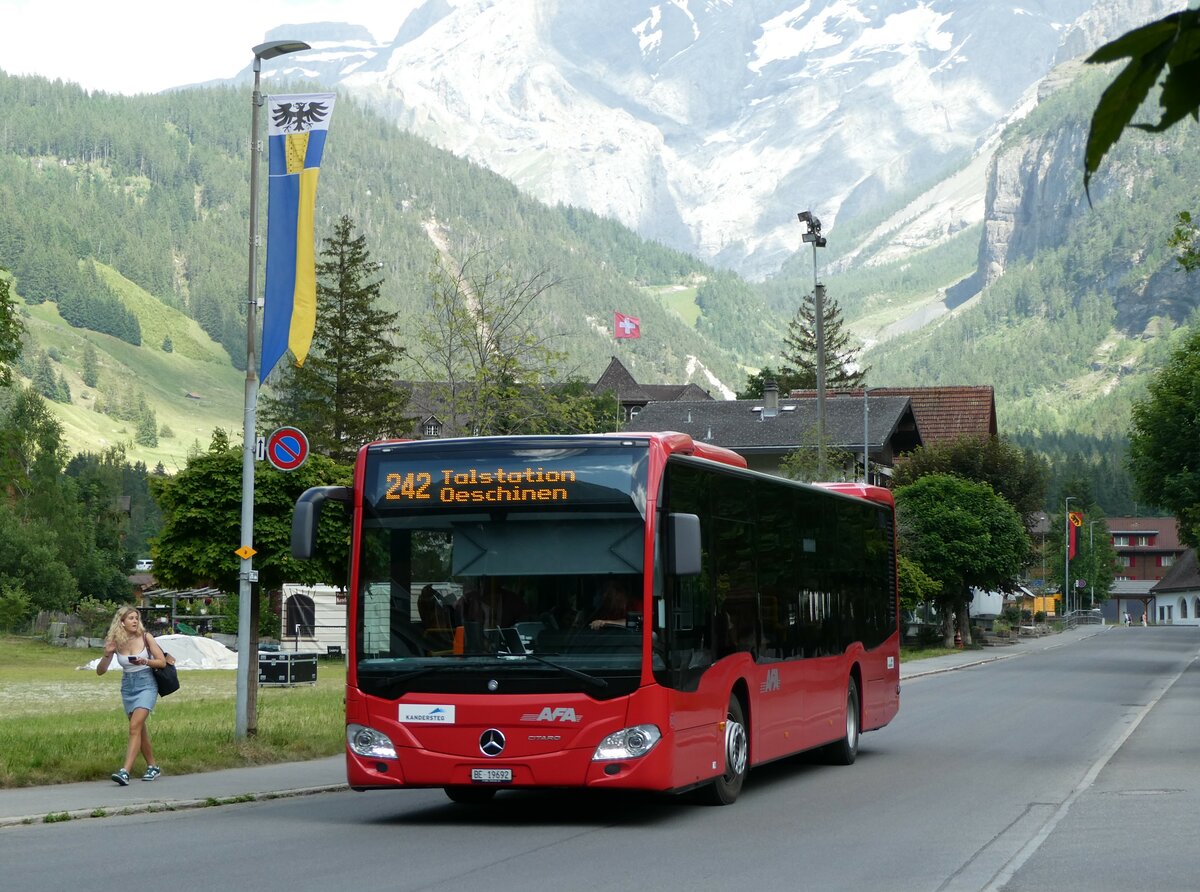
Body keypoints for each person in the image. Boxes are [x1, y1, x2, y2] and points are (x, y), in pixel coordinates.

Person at [96, 605, 172, 785]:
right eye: (130, 618)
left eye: (136, 618)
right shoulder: (116, 642)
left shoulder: (146, 638)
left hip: (147, 684)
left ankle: (125, 772)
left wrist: (145, 661)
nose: (135, 621)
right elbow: (100, 671)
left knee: (134, 726)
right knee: (138, 728)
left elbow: (161, 662)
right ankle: (153, 766)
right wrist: (107, 655)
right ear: (121, 622)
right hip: (128, 686)